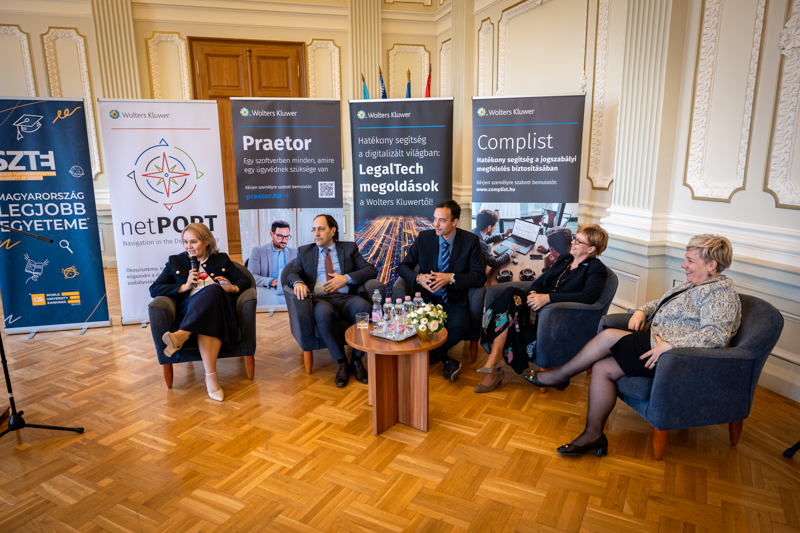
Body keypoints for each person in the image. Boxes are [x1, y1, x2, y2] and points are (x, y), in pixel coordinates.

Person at [529, 234, 741, 457]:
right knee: (602, 368)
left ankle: (559, 375)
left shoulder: (720, 294)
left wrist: (670, 345)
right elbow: (658, 304)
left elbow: (716, 336)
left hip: (678, 360)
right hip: (655, 346)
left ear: (711, 265)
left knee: (609, 336)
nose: (683, 265)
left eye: (690, 260)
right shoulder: (694, 284)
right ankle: (593, 435)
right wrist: (641, 311)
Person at [476, 224, 609, 393]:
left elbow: (589, 297)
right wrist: (533, 293)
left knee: (509, 307)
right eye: (574, 238)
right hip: (536, 306)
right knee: (509, 294)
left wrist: (547, 298)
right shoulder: (565, 259)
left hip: (555, 317)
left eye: (578, 241)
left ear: (591, 249)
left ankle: (493, 367)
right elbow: (540, 281)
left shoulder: (596, 269)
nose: (573, 242)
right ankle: (494, 362)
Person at [150, 223, 251, 402]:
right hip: (189, 309)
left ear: (206, 242)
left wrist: (231, 288)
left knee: (215, 291)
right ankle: (211, 379)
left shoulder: (221, 259)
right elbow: (154, 289)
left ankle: (183, 334)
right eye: (185, 242)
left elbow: (245, 280)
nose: (188, 246)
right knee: (212, 305)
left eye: (193, 242)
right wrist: (184, 286)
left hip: (220, 311)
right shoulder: (176, 261)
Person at [398, 200, 486, 381]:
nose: (436, 224)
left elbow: (479, 276)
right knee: (413, 326)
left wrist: (451, 277)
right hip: (426, 297)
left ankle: (422, 357)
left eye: (442, 220)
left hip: (453, 298)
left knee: (460, 326)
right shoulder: (424, 238)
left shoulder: (470, 241)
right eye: (434, 219)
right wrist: (418, 278)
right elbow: (403, 266)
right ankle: (446, 360)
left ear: (454, 222)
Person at [285, 214, 376, 388]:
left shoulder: (349, 248)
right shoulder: (305, 251)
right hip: (321, 300)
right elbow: (292, 273)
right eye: (313, 229)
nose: (316, 233)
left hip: (346, 298)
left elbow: (370, 270)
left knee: (364, 308)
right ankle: (341, 362)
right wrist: (298, 282)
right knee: (323, 315)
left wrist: (346, 278)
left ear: (333, 231)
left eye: (321, 229)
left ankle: (356, 360)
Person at [247, 219, 297, 306]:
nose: (284, 240)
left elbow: (298, 274)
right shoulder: (258, 251)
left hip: (287, 291)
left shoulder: (294, 252)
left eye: (287, 236)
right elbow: (251, 276)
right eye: (280, 236)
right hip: (266, 290)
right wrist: (271, 281)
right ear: (271, 234)